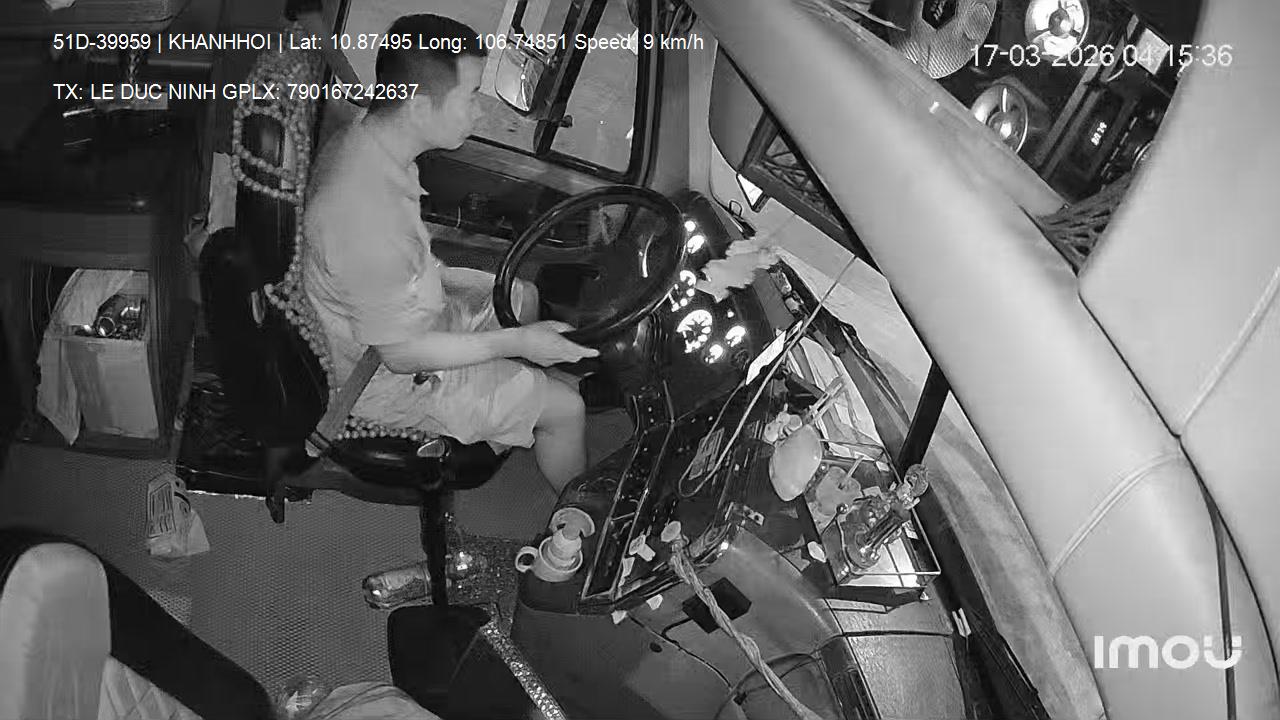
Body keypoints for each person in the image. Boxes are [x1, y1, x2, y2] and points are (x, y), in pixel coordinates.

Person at [302, 14, 598, 492]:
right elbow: (401, 356)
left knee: (518, 296)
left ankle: (516, 397)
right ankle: (585, 517)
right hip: (387, 378)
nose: (479, 113)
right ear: (420, 108)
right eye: (471, 96)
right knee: (568, 409)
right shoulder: (366, 220)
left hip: (405, 304)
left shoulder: (370, 131)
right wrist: (519, 344)